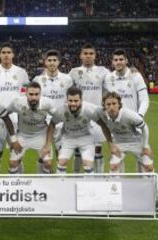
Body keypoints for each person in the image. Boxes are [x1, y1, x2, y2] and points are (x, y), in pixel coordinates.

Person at [47, 87, 120, 174]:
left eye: (76, 101)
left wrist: (111, 144)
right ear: (67, 100)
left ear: (81, 100)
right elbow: (52, 125)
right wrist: (47, 144)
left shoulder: (89, 109)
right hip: (68, 138)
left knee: (88, 164)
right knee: (62, 162)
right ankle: (62, 186)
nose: (73, 103)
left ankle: (89, 186)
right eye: (70, 101)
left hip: (86, 137)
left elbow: (103, 126)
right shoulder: (61, 110)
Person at [0, 42, 29, 171]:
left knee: (17, 153)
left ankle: (18, 185)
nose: (6, 55)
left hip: (15, 119)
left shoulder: (21, 72)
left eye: (8, 52)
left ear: (13, 55)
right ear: (0, 55)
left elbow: (25, 93)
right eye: (3, 52)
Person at [69, 43, 110, 173]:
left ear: (95, 55)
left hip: (97, 115)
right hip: (79, 116)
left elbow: (116, 78)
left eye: (91, 53)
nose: (88, 56)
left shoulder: (103, 71)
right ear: (81, 56)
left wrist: (131, 69)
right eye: (85, 53)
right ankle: (76, 176)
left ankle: (100, 177)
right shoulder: (74, 72)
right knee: (77, 148)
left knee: (98, 149)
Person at [33, 49, 73, 171]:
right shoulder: (37, 80)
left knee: (62, 160)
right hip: (43, 124)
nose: (52, 63)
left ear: (59, 62)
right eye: (49, 60)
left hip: (61, 124)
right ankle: (43, 185)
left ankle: (61, 185)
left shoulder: (67, 79)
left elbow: (71, 100)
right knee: (46, 161)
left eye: (54, 60)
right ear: (45, 62)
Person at [98, 92, 154, 173]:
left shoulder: (129, 115)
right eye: (108, 104)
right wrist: (111, 145)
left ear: (119, 104)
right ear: (104, 106)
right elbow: (104, 128)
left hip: (137, 142)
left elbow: (144, 127)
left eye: (114, 103)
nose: (111, 107)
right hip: (119, 143)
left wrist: (145, 146)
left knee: (149, 167)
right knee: (113, 167)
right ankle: (117, 185)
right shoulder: (102, 115)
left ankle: (148, 184)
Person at [7, 81, 55, 174]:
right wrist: (13, 139)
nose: (34, 97)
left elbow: (56, 119)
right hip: (23, 136)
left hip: (41, 136)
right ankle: (18, 184)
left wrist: (48, 144)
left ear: (40, 94)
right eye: (31, 94)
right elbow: (5, 116)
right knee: (13, 163)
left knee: (48, 164)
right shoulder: (17, 102)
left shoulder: (47, 103)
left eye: (37, 94)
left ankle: (43, 184)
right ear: (26, 94)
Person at [103, 49, 149, 117]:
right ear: (112, 62)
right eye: (116, 60)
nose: (118, 62)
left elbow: (144, 99)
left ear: (126, 61)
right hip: (113, 124)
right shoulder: (108, 78)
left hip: (132, 122)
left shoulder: (136, 76)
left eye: (121, 59)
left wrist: (140, 116)